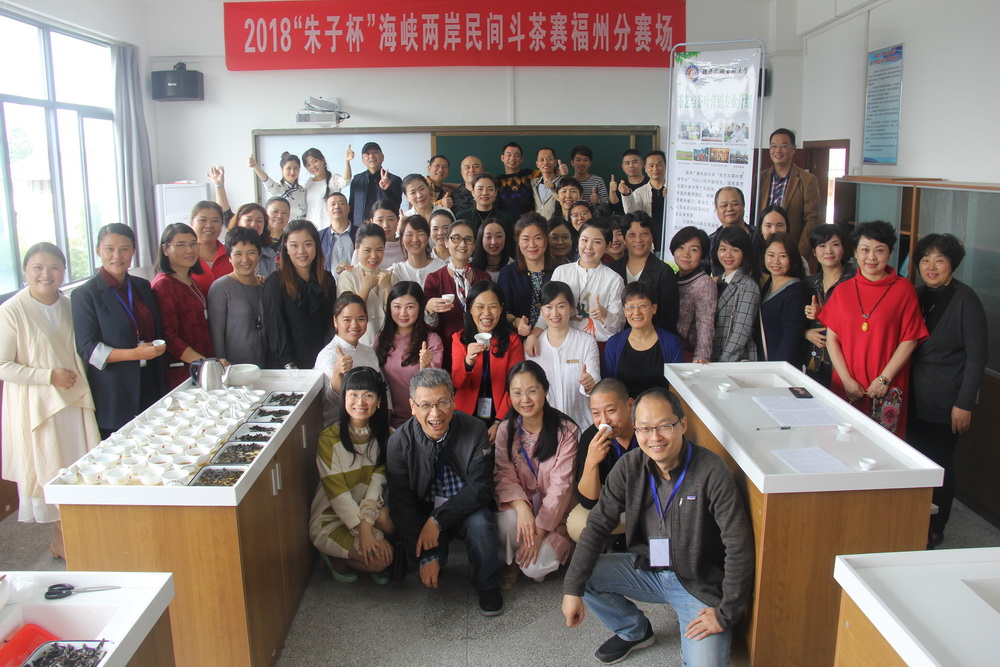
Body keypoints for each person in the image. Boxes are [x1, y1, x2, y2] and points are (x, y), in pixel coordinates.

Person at [561, 388, 754, 667]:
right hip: (649, 568)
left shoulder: (711, 471)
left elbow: (739, 546)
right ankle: (634, 630)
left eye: (664, 426)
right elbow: (597, 526)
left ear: (682, 425)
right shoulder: (630, 466)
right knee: (583, 575)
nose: (655, 438)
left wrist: (726, 614)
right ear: (635, 429)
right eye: (645, 428)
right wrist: (572, 590)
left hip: (698, 583)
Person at [1, 243, 100, 558]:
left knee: (76, 468)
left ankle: (70, 537)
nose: (46, 274)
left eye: (54, 267)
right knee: (50, 467)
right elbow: (3, 365)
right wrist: (48, 376)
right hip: (40, 405)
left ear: (64, 272)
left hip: (74, 402)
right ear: (25, 271)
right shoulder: (12, 310)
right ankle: (63, 539)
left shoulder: (71, 305)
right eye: (38, 268)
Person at [386, 368, 504, 616]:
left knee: (481, 523)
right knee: (430, 563)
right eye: (425, 405)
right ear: (412, 406)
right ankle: (435, 556)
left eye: (442, 402)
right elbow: (401, 503)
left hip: (463, 507)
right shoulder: (399, 442)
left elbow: (480, 488)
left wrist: (437, 520)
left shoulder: (475, 429)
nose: (435, 413)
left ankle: (488, 585)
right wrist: (426, 557)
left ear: (453, 399)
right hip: (424, 510)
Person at [907, 233, 988, 548]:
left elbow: (977, 356)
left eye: (939, 260)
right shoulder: (915, 294)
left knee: (939, 462)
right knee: (914, 459)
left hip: (945, 398)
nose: (931, 266)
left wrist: (964, 403)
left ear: (952, 263)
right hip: (911, 395)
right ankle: (914, 519)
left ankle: (937, 526)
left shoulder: (966, 299)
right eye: (925, 259)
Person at [820, 221, 928, 437]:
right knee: (841, 442)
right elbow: (831, 340)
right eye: (865, 250)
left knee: (883, 446)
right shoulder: (842, 291)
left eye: (879, 250)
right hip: (847, 383)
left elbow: (910, 340)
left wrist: (884, 379)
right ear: (855, 253)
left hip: (886, 385)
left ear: (890, 253)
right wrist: (847, 381)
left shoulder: (904, 290)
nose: (871, 257)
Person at [72, 223, 166, 436]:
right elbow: (88, 349)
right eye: (110, 249)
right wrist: (135, 354)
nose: (117, 256)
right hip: (114, 390)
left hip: (150, 382)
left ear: (133, 251)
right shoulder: (85, 295)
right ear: (98, 250)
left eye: (124, 249)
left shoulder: (142, 286)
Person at [495, 361, 580, 588]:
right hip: (523, 508)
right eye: (517, 393)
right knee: (507, 520)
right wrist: (522, 508)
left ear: (545, 390)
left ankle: (548, 551)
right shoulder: (506, 430)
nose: (525, 399)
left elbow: (562, 487)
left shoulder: (566, 431)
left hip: (556, 514)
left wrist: (539, 532)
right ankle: (511, 562)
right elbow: (503, 476)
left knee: (534, 569)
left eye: (532, 391)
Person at [308, 366, 395, 584]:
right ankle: (335, 557)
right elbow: (338, 495)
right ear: (344, 398)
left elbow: (377, 484)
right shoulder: (329, 439)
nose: (360, 402)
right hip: (331, 518)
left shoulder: (387, 436)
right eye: (353, 394)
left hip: (367, 513)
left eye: (368, 396)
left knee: (387, 528)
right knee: (379, 562)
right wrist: (362, 530)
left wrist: (366, 526)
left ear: (379, 401)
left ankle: (363, 552)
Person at [526, 219, 625, 352]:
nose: (589, 247)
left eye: (596, 242)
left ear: (607, 246)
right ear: (578, 241)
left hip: (600, 346)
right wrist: (533, 335)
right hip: (563, 343)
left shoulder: (614, 280)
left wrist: (605, 315)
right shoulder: (562, 272)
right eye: (584, 240)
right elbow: (546, 313)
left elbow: (618, 326)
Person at [451, 281, 525, 443]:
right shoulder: (460, 339)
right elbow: (457, 382)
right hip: (465, 417)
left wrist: (499, 422)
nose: (486, 313)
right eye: (480, 307)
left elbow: (516, 387)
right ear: (470, 309)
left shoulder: (512, 340)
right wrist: (468, 361)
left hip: (501, 414)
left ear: (501, 308)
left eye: (493, 307)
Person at [262, 219, 336, 369]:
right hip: (286, 366)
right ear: (286, 248)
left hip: (322, 361)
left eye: (307, 244)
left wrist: (327, 357)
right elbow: (275, 328)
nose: (301, 251)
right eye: (294, 245)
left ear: (316, 245)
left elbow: (331, 321)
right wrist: (289, 364)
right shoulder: (275, 281)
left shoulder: (327, 279)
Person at [567, 379, 635, 542]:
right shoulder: (591, 438)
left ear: (629, 405)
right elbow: (588, 502)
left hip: (649, 504)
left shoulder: (646, 430)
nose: (604, 421)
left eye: (611, 411)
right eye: (596, 413)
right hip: (614, 507)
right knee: (578, 524)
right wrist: (592, 462)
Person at [152, 222, 216, 389]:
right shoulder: (164, 285)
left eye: (193, 244)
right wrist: (204, 363)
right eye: (180, 245)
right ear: (165, 249)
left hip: (200, 365)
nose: (189, 250)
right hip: (182, 370)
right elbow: (170, 338)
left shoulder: (189, 280)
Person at [531, 281, 599, 430]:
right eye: (548, 307)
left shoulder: (586, 342)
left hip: (582, 426)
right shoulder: (533, 347)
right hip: (546, 428)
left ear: (571, 308)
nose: (555, 313)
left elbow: (594, 378)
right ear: (541, 310)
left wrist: (590, 383)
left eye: (561, 306)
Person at [423, 220, 491, 365]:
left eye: (468, 239)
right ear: (446, 242)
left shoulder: (484, 278)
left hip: (479, 346)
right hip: (446, 350)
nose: (462, 244)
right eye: (456, 238)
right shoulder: (434, 280)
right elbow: (430, 327)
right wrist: (429, 308)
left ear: (474, 245)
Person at [377, 281, 443, 428]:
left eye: (410, 307)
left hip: (421, 422)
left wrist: (425, 366)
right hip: (386, 421)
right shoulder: (380, 339)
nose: (403, 313)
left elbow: (432, 388)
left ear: (420, 307)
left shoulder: (432, 340)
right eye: (397, 306)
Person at [314, 293, 385, 426]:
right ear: (335, 321)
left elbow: (381, 386)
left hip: (370, 424)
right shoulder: (328, 355)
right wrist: (337, 373)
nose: (354, 325)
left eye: (360, 319)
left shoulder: (369, 352)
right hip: (336, 427)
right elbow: (335, 400)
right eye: (347, 320)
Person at [604, 282, 683, 398]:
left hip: (660, 406)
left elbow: (678, 388)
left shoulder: (671, 343)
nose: (636, 312)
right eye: (630, 307)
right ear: (624, 311)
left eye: (642, 306)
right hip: (625, 407)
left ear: (654, 308)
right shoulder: (614, 344)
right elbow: (609, 386)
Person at [756, 128, 821, 270]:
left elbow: (812, 220)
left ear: (794, 149)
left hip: (792, 250)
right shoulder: (760, 178)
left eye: (784, 146)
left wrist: (798, 254)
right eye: (773, 146)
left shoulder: (807, 180)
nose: (778, 150)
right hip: (763, 251)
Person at [610, 212, 680, 333]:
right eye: (632, 234)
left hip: (652, 338)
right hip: (615, 337)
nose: (638, 240)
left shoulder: (664, 272)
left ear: (652, 237)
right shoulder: (612, 270)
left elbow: (669, 318)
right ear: (624, 239)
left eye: (644, 234)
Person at [802, 224, 855, 386]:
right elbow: (796, 322)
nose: (829, 251)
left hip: (845, 364)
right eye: (822, 246)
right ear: (814, 251)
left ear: (843, 248)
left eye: (835, 244)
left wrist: (822, 313)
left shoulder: (855, 281)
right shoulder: (809, 283)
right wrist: (806, 333)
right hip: (815, 361)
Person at [207, 227, 267, 367]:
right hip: (234, 367)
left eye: (251, 252)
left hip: (267, 365)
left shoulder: (266, 285)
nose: (245, 259)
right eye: (238, 254)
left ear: (259, 255)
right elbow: (216, 331)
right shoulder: (220, 288)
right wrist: (221, 360)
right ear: (229, 257)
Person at [497, 213, 556, 334]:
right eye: (525, 239)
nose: (532, 245)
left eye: (538, 238)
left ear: (546, 239)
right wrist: (516, 322)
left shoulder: (560, 270)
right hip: (518, 339)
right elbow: (503, 310)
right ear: (518, 241)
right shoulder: (507, 273)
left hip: (555, 337)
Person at [759, 232, 810, 365]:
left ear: (792, 258)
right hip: (765, 363)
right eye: (771, 255)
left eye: (783, 256)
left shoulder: (795, 293)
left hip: (780, 367)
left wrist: (777, 370)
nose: (776, 261)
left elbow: (790, 341)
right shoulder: (769, 284)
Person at [337, 223, 392, 347]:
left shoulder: (390, 276)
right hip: (359, 343)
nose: (374, 256)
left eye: (379, 250)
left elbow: (394, 314)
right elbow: (348, 314)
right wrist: (366, 288)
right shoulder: (347, 276)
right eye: (367, 250)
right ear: (357, 248)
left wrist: (388, 288)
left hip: (388, 344)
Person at [712, 226, 760, 362]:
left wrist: (724, 362)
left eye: (735, 250)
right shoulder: (717, 282)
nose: (728, 255)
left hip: (735, 359)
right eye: (723, 249)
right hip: (713, 357)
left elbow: (741, 331)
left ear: (744, 253)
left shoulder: (748, 285)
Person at [670, 226, 716, 364]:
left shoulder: (704, 284)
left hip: (688, 356)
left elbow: (705, 325)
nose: (686, 254)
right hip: (670, 350)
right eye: (681, 247)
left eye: (694, 250)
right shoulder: (672, 278)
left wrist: (702, 357)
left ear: (702, 254)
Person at [347, 142, 403, 228]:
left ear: (382, 157)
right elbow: (351, 206)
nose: (371, 156)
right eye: (367, 153)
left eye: (375, 152)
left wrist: (386, 190)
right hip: (360, 229)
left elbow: (396, 206)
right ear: (363, 160)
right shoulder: (357, 179)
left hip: (384, 228)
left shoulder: (394, 180)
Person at [456, 173, 515, 248]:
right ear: (473, 192)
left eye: (490, 189)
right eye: (480, 189)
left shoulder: (505, 218)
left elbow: (510, 246)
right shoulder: (462, 217)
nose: (485, 193)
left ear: (496, 192)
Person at [620, 151, 667, 244]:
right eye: (651, 165)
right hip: (650, 240)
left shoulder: (675, 190)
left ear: (665, 166)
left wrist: (672, 199)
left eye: (659, 164)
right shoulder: (639, 192)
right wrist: (627, 194)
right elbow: (632, 214)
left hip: (671, 236)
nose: (655, 168)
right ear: (645, 168)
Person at [302, 145, 353, 227]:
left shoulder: (333, 179)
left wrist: (347, 161)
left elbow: (346, 181)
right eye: (308, 165)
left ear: (323, 160)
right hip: (311, 228)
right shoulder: (308, 183)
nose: (313, 166)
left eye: (315, 161)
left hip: (329, 228)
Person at [189, 200, 233, 295]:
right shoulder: (184, 257)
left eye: (215, 221)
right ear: (192, 223)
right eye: (202, 220)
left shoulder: (232, 255)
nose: (209, 225)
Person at [390, 214, 446, 288]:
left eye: (420, 234)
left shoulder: (443, 269)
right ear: (402, 240)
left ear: (428, 238)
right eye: (409, 235)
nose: (415, 240)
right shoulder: (395, 271)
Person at [223, 202, 277, 277]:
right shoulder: (224, 249)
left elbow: (271, 281)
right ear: (238, 222)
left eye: (259, 221)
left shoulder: (269, 253)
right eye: (248, 220)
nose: (253, 224)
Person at [707, 187, 752, 277]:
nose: (729, 209)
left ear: (743, 205)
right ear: (716, 208)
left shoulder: (758, 235)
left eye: (735, 204)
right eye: (724, 205)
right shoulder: (710, 241)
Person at [250, 151, 306, 220]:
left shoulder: (303, 191)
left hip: (298, 226)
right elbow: (266, 179)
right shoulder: (277, 187)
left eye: (295, 168)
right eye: (288, 168)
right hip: (279, 224)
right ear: (282, 169)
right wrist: (255, 167)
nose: (292, 171)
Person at [495, 142, 536, 219]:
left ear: (521, 159)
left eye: (516, 155)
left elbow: (549, 173)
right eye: (509, 155)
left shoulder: (531, 175)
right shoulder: (496, 181)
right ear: (502, 158)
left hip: (529, 223)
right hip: (505, 223)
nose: (512, 158)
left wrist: (558, 171)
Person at [318, 192, 355, 275]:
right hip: (328, 282)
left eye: (341, 203)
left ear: (348, 208)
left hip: (356, 281)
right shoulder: (319, 236)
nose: (337, 207)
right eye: (333, 204)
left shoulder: (361, 233)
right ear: (327, 210)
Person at [361, 199, 405, 269]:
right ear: (372, 221)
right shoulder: (363, 246)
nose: (386, 225)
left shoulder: (406, 246)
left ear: (398, 220)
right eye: (380, 220)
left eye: (390, 219)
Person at [608, 149, 649, 215]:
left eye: (634, 162)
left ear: (641, 163)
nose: (631, 166)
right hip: (625, 220)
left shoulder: (650, 183)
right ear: (623, 167)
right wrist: (612, 191)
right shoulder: (621, 185)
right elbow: (615, 208)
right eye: (627, 163)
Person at [531, 147, 560, 218]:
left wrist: (554, 188)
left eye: (549, 159)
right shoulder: (534, 183)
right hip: (538, 223)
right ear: (537, 164)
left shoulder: (563, 183)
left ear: (555, 162)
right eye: (542, 160)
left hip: (556, 223)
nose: (546, 163)